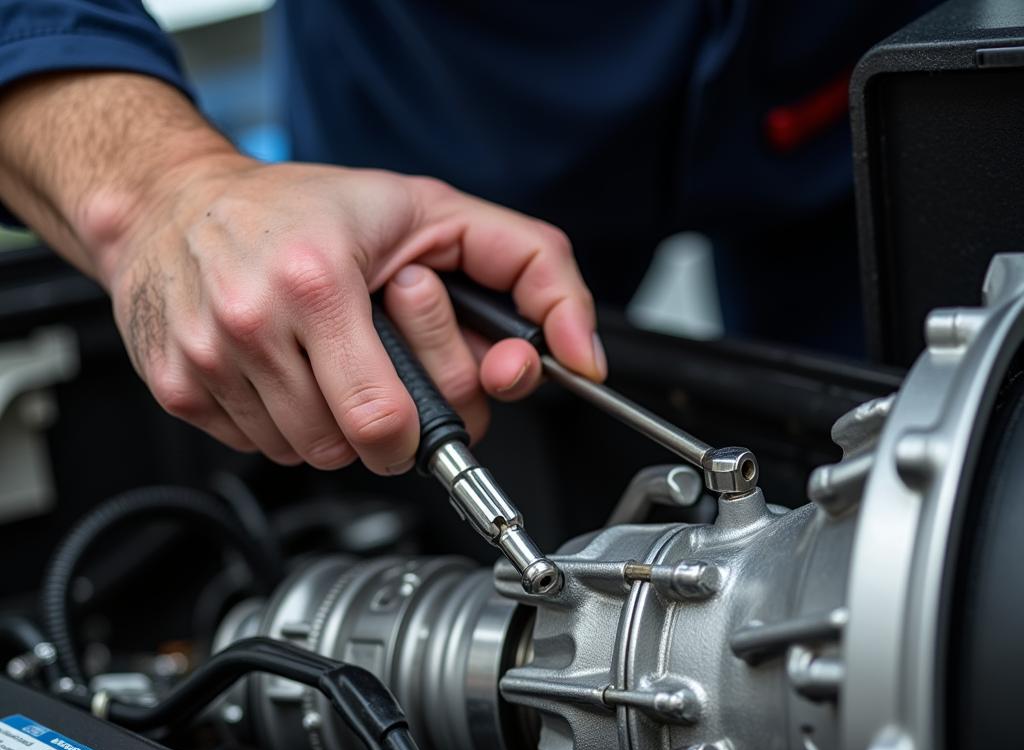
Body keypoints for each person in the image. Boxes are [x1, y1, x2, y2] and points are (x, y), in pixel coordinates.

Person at [0, 1, 931, 474]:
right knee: (426, 456)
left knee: (892, 466)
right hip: (422, 157)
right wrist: (159, 189)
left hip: (849, 108)